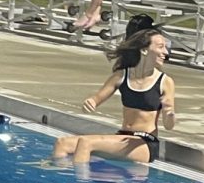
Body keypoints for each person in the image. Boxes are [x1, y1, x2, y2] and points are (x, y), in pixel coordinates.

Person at [52, 28, 175, 164]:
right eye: (160, 47)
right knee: (62, 143)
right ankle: (58, 179)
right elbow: (96, 99)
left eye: (165, 47)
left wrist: (169, 113)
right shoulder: (122, 76)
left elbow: (169, 126)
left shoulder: (165, 81)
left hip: (144, 142)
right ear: (144, 50)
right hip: (122, 136)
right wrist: (90, 102)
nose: (165, 52)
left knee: (86, 143)